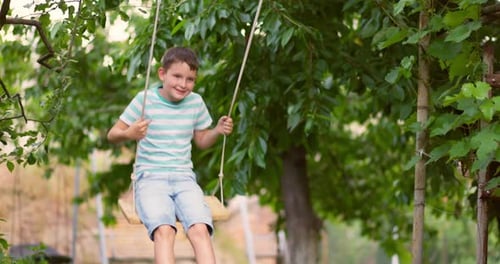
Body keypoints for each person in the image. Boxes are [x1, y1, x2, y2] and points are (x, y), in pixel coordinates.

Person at [107, 47, 233, 264]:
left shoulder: (196, 102)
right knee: (165, 230)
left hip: (184, 179)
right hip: (150, 179)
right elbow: (113, 135)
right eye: (177, 76)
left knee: (200, 229)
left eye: (190, 79)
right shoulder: (144, 100)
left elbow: (201, 140)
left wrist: (217, 131)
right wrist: (130, 133)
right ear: (162, 74)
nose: (183, 84)